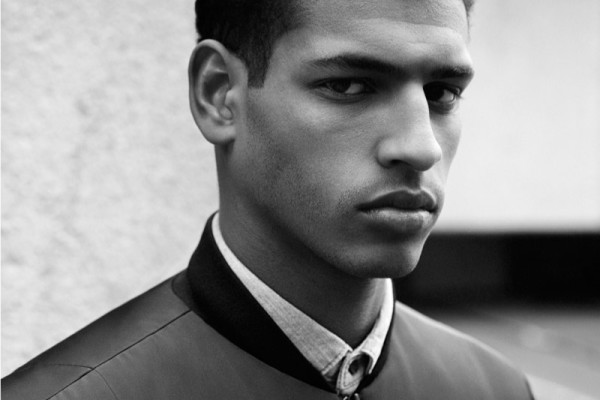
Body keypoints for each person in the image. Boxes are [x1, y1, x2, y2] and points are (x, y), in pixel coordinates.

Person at [2, 0, 535, 399]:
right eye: (348, 85)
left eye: (441, 93)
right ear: (218, 95)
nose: (421, 147)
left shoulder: (495, 389)